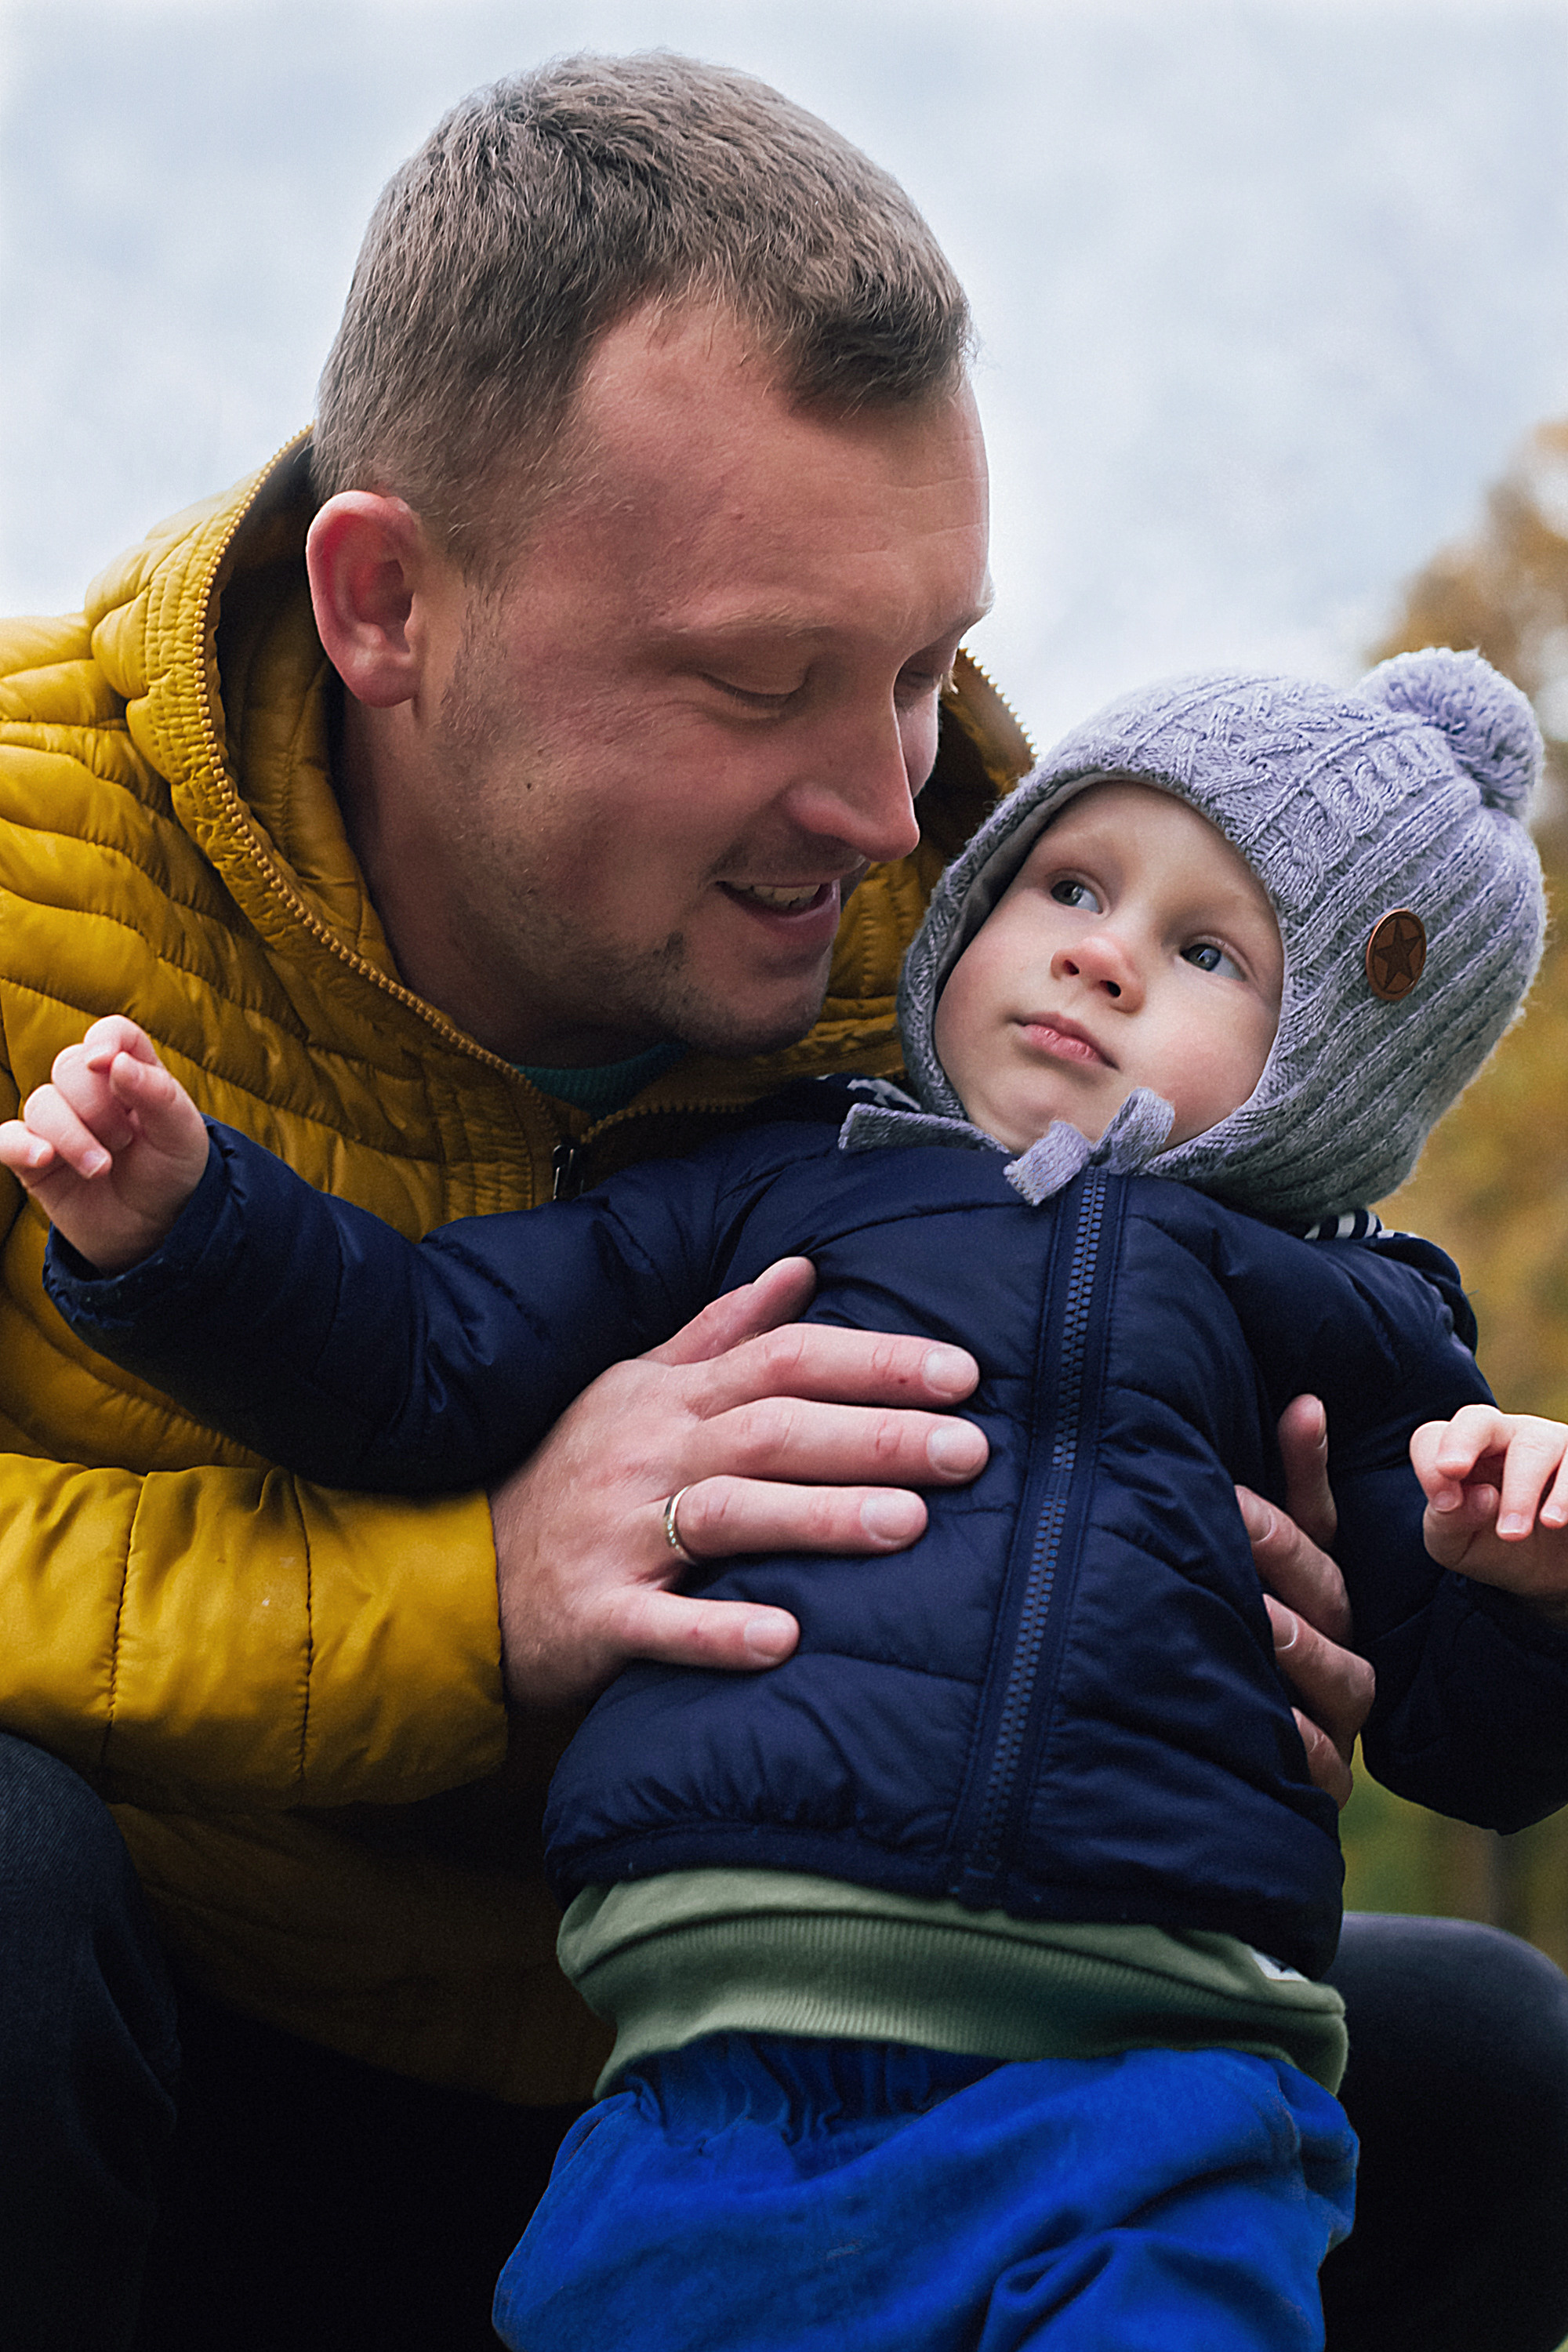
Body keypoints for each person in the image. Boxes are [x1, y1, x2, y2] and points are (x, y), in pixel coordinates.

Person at [0, 48, 1561, 2352]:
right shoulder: (38, 862)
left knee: (1492, 2062)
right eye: (762, 681)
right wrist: (476, 1593)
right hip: (200, 2068)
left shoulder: (1007, 972)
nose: (878, 800)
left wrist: (1362, 1602)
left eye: (927, 665)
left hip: (870, 2081)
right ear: (385, 604)